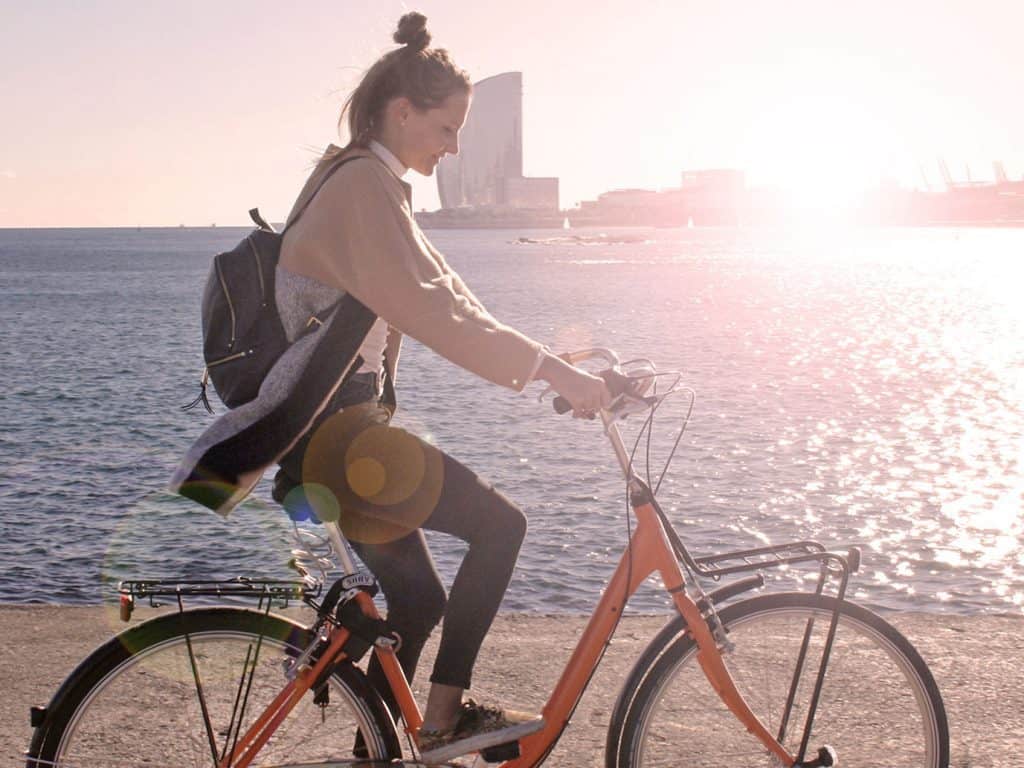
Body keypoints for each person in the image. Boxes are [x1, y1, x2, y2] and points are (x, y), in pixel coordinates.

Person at [266, 12, 610, 763]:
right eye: (448, 127)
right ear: (403, 112)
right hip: (341, 444)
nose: (453, 146)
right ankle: (443, 719)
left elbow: (449, 293)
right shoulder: (362, 184)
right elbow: (434, 313)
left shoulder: (366, 179)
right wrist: (555, 373)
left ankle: (378, 748)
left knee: (417, 604)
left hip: (331, 443)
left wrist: (571, 365)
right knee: (501, 527)